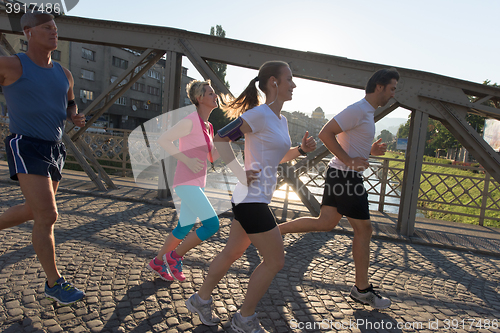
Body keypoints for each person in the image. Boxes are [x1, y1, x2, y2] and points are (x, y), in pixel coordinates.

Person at [185, 61, 316, 332]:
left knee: (233, 251)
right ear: (273, 83)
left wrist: (300, 150)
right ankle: (244, 318)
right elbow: (221, 138)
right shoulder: (259, 115)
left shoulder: (280, 120)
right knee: (275, 261)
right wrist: (240, 173)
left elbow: (280, 156)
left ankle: (201, 299)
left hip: (251, 198)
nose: (294, 85)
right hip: (251, 199)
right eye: (289, 79)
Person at [279, 68, 400, 309]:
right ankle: (362, 289)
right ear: (379, 87)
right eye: (392, 89)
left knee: (325, 222)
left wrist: (369, 152)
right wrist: (349, 161)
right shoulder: (358, 109)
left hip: (340, 174)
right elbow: (326, 133)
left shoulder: (366, 113)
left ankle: (272, 232)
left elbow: (349, 142)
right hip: (346, 176)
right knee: (364, 229)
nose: (393, 95)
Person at [0, 11, 86, 305]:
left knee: (36, 211)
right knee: (48, 215)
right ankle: (54, 283)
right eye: (46, 27)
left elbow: (70, 104)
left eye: (55, 27)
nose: (54, 31)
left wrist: (74, 117)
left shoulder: (65, 74)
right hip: (26, 144)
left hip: (54, 148)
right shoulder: (11, 65)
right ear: (28, 33)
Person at [147, 80, 221, 283]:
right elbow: (163, 140)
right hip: (185, 181)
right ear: (200, 98)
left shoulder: (209, 126)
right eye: (211, 93)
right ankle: (174, 257)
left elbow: (211, 158)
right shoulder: (190, 121)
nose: (216, 96)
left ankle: (157, 262)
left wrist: (224, 142)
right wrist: (187, 159)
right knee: (212, 224)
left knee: (184, 227)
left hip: (198, 182)